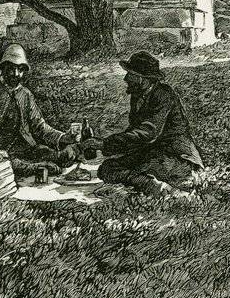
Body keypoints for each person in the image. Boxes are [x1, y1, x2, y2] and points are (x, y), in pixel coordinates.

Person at [85, 51, 203, 199]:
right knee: (107, 169)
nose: (126, 78)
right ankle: (148, 183)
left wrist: (104, 144)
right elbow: (134, 133)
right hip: (154, 152)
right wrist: (107, 147)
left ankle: (162, 189)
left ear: (143, 79)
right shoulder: (138, 95)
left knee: (128, 170)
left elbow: (147, 133)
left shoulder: (164, 96)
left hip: (176, 157)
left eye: (130, 74)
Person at [0, 43, 80, 176]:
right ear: (3, 69)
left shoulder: (25, 95)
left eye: (20, 69)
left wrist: (63, 137)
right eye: (11, 69)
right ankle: (38, 168)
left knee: (50, 152)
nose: (16, 74)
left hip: (16, 151)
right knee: (17, 166)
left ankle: (50, 162)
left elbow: (39, 126)